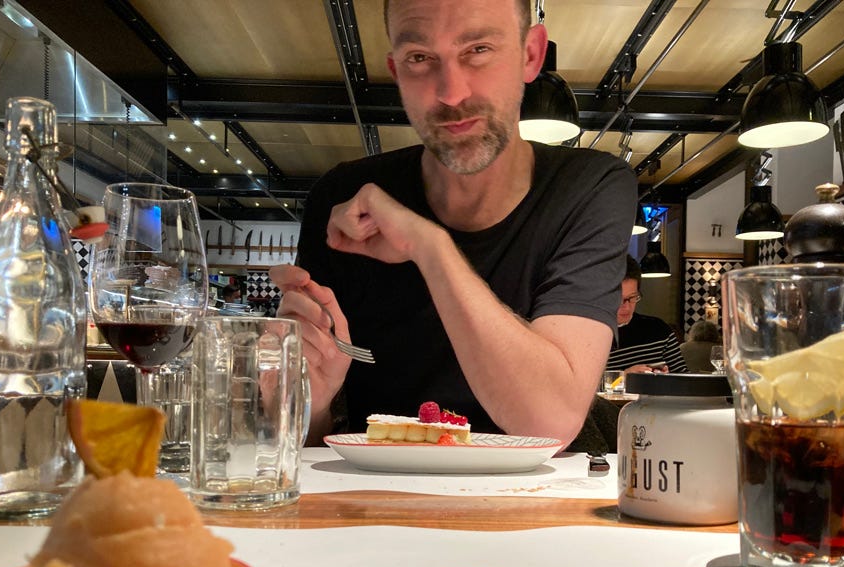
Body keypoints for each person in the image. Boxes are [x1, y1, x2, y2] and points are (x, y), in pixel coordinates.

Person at [270, 0, 637, 446]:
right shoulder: (342, 196)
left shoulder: (588, 187)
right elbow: (311, 444)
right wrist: (313, 402)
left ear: (530, 55)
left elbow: (549, 422)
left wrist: (429, 247)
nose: (451, 93)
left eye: (478, 49)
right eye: (419, 57)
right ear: (396, 71)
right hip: (376, 484)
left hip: (539, 487)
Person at [605, 257, 687, 374]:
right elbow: (582, 384)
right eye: (618, 299)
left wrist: (667, 379)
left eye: (632, 297)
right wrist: (623, 377)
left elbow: (684, 378)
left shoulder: (659, 331)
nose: (627, 307)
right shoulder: (589, 336)